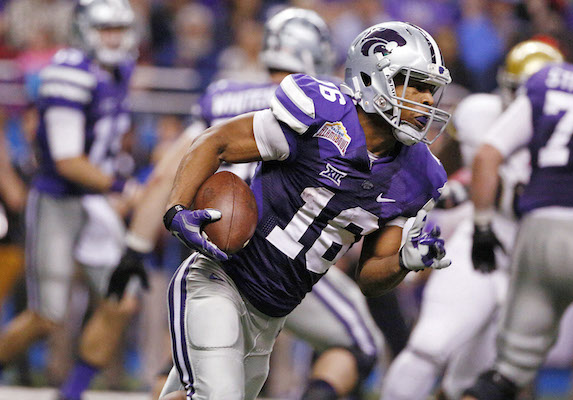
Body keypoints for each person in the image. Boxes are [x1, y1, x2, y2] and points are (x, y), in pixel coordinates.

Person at [158, 20, 452, 400]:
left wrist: (403, 262)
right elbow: (217, 142)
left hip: (270, 319)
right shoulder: (321, 115)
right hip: (218, 285)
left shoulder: (417, 174)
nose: (427, 100)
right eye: (414, 83)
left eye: (431, 89)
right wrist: (176, 209)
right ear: (373, 78)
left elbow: (370, 276)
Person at [110, 8, 384, 400]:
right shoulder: (329, 104)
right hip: (278, 250)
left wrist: (136, 246)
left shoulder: (225, 95)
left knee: (206, 365)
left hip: (210, 241)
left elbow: (167, 171)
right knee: (361, 344)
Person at [462, 5, 573, 400]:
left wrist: (483, 227)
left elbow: (486, 155)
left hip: (536, 228)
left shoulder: (550, 81)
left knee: (505, 374)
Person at [379, 38, 571, 400]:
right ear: (503, 86)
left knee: (483, 385)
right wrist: (444, 192)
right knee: (428, 349)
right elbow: (445, 168)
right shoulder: (479, 114)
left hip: (535, 270)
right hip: (482, 251)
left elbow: (515, 195)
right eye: (520, 93)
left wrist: (474, 189)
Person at [0, 2, 141, 400]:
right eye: (105, 28)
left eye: (119, 27)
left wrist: (112, 182)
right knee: (47, 317)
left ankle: (71, 393)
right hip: (59, 201)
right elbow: (67, 160)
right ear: (83, 30)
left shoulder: (118, 69)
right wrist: (119, 187)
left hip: (95, 200)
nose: (113, 36)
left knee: (121, 302)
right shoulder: (68, 74)